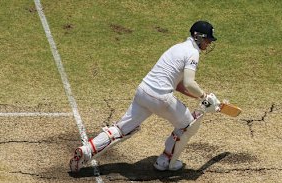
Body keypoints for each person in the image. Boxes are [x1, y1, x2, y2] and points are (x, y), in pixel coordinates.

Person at [70, 20, 221, 173]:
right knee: (188, 125)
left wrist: (201, 98)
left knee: (121, 129)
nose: (208, 43)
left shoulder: (177, 48)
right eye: (208, 39)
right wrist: (203, 96)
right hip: (160, 98)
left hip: (143, 91)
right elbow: (189, 82)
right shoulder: (193, 53)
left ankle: (87, 150)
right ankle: (165, 162)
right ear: (198, 37)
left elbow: (178, 84)